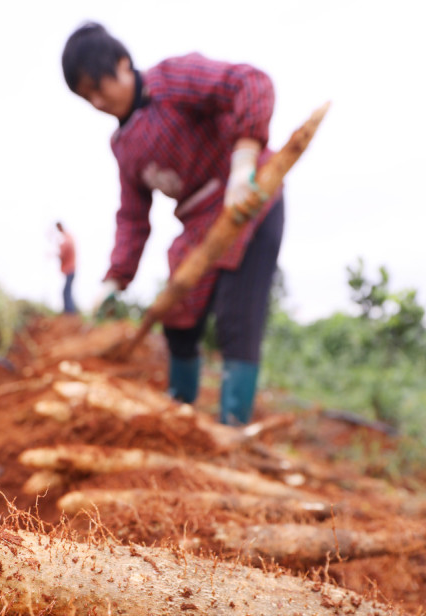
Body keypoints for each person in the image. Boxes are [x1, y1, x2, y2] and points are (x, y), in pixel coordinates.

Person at [61, 22, 284, 425]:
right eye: (86, 97)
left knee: (237, 319)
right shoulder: (124, 145)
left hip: (249, 203)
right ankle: (178, 416)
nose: (97, 101)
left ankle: (233, 427)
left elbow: (250, 82)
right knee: (178, 316)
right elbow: (132, 217)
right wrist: (116, 277)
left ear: (123, 64)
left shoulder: (175, 79)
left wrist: (244, 159)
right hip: (199, 222)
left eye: (99, 87)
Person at [56, 221, 77, 314]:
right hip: (70, 269)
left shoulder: (67, 238)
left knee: (66, 291)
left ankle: (69, 313)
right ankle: (69, 312)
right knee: (67, 291)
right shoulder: (67, 237)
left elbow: (64, 252)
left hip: (70, 270)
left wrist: (59, 248)